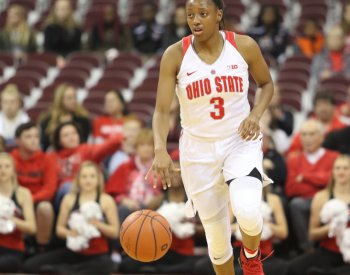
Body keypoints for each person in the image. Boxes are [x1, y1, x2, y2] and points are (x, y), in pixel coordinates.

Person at [149, 0, 275, 273]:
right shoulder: (175, 55)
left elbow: (266, 84)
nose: (196, 20)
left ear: (218, 15)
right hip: (198, 151)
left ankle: (251, 257)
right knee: (217, 244)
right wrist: (159, 149)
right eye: (190, 15)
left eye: (203, 14)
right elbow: (160, 111)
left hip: (239, 140)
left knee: (248, 212)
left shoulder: (243, 46)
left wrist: (255, 115)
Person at [287, 155, 350, 275]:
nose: (341, 172)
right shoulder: (321, 198)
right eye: (337, 168)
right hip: (327, 252)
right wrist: (331, 228)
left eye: (345, 168)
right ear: (332, 172)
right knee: (294, 268)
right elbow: (312, 234)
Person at [23, 161, 119, 275]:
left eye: (92, 176)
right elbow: (59, 229)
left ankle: (66, 271)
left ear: (98, 179)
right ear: (78, 180)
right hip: (73, 251)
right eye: (84, 176)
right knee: (30, 265)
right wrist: (71, 233)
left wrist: (97, 224)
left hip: (97, 255)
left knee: (107, 265)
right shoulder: (69, 199)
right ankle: (69, 270)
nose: (88, 180)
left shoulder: (106, 200)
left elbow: (114, 232)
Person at [120, 150, 205, 274]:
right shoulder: (157, 201)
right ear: (165, 175)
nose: (175, 175)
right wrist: (163, 225)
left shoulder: (195, 202)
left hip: (184, 254)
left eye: (178, 172)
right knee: (127, 265)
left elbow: (207, 229)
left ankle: (159, 271)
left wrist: (189, 227)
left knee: (195, 267)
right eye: (171, 172)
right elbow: (142, 227)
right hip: (160, 250)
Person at [285, 119, 339, 253]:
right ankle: (308, 250)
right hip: (304, 202)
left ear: (321, 137)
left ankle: (332, 248)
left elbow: (333, 181)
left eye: (312, 134)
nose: (307, 138)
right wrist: (320, 180)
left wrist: (305, 177)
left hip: (328, 200)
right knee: (296, 204)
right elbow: (291, 189)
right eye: (304, 134)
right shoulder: (293, 160)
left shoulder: (334, 157)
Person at [49, 122, 123, 210]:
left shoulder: (86, 150)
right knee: (67, 186)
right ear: (59, 140)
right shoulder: (52, 157)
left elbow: (104, 148)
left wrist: (120, 137)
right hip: (63, 199)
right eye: (66, 135)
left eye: (74, 133)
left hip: (88, 194)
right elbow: (50, 185)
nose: (71, 137)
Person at [11, 122, 58, 251]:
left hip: (37, 200)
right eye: (28, 137)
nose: (34, 140)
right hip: (16, 200)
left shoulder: (47, 159)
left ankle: (41, 247)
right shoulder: (11, 159)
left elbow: (50, 189)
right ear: (18, 141)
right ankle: (14, 245)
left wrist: (30, 200)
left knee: (45, 208)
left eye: (36, 136)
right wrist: (21, 200)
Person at [105, 129, 163, 222]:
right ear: (136, 148)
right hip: (129, 207)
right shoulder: (125, 167)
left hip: (153, 207)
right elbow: (113, 193)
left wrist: (157, 198)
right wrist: (125, 201)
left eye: (150, 145)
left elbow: (163, 192)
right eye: (142, 145)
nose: (146, 148)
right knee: (123, 210)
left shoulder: (160, 168)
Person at [287, 91, 346, 157]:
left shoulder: (343, 128)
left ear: (334, 107)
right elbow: (293, 151)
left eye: (326, 104)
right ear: (314, 108)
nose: (323, 109)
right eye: (319, 105)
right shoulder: (307, 127)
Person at [39, 83, 91, 151]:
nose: (73, 101)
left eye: (75, 97)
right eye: (69, 98)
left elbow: (84, 143)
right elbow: (44, 145)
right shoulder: (47, 120)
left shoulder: (83, 119)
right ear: (60, 100)